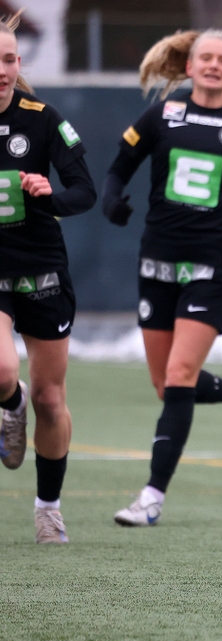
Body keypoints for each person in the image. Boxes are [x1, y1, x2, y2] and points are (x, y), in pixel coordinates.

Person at [103, 29, 222, 526]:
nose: (214, 65)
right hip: (156, 261)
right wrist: (112, 199)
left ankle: (152, 497)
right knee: (166, 386)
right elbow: (118, 169)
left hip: (212, 266)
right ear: (190, 65)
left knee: (180, 376)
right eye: (206, 57)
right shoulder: (162, 115)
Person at [0, 11, 97, 543]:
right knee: (0, 371)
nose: (2, 69)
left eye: (10, 59)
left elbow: (85, 191)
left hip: (41, 268)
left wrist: (50, 195)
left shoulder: (43, 118)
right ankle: (8, 408)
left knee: (51, 400)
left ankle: (48, 506)